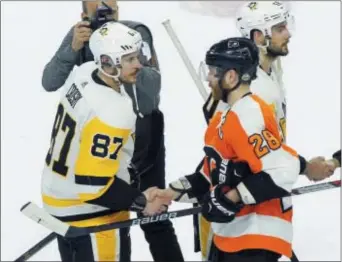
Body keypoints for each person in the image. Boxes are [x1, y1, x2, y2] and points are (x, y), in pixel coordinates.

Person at [157, 37, 335, 262]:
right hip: (232, 236)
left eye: (212, 71)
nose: (208, 78)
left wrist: (230, 198)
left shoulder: (249, 113)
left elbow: (280, 171)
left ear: (231, 76)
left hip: (254, 237)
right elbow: (211, 172)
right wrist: (169, 193)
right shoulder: (225, 114)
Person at [41, 1, 184, 261]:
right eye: (99, 11)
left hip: (136, 141)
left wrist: (125, 62)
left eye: (112, 9)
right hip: (91, 187)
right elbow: (49, 81)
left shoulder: (90, 67)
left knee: (156, 220)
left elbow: (150, 96)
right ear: (84, 14)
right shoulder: (113, 107)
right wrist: (140, 200)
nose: (106, 16)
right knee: (148, 205)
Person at [196, 1, 334, 259]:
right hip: (239, 210)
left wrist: (299, 165)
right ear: (258, 36)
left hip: (258, 195)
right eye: (280, 28)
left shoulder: (268, 72)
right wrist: (298, 167)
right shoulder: (250, 88)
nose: (288, 33)